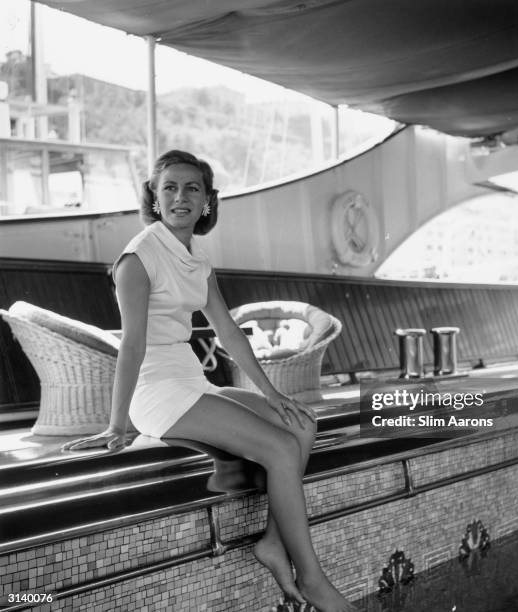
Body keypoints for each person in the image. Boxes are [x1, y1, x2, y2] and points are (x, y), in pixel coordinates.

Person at [62, 150, 355, 612]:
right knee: (279, 448)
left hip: (192, 382)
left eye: (192, 188)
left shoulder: (197, 256)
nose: (181, 196)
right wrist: (117, 425)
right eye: (170, 188)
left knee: (302, 425)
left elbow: (228, 331)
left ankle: (273, 545)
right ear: (155, 200)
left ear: (207, 203)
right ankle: (314, 579)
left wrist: (272, 393)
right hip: (157, 391)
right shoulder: (137, 259)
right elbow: (132, 345)